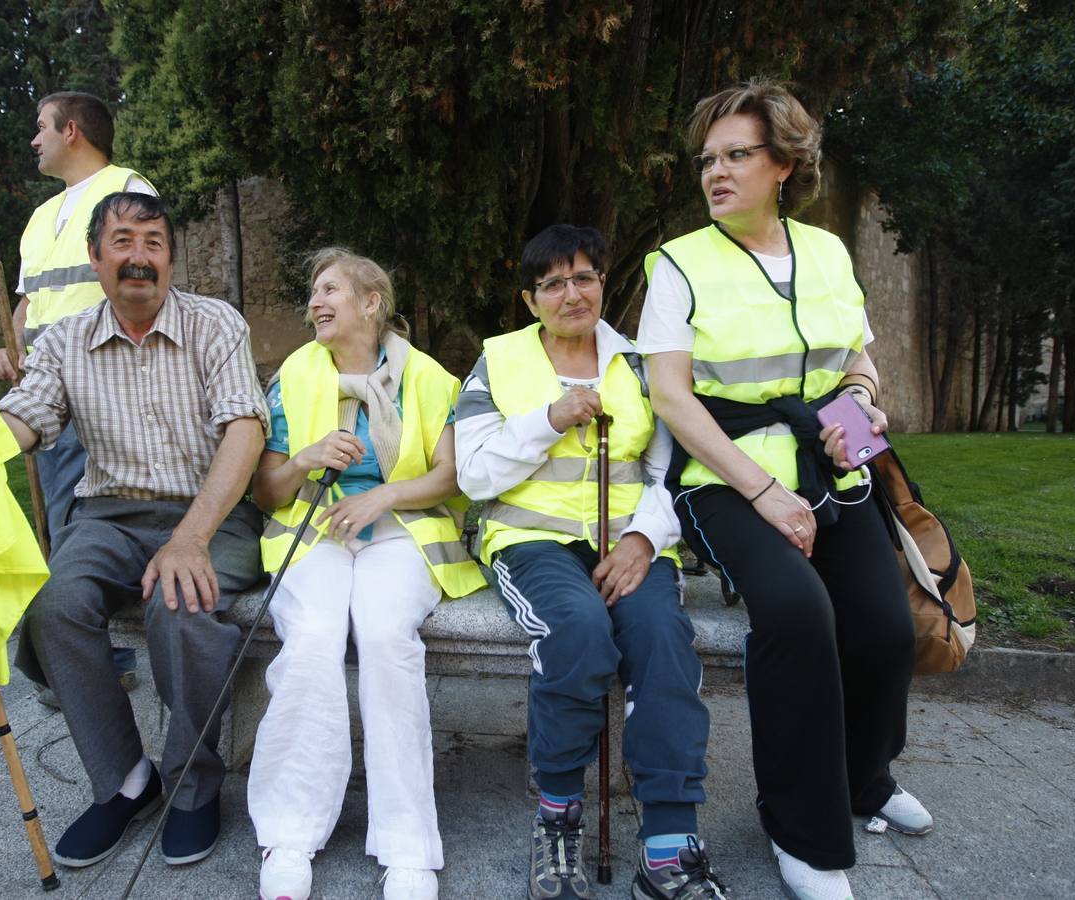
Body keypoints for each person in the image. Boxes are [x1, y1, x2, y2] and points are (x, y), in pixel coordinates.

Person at [639, 79, 930, 900]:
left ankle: (864, 781)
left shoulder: (830, 252)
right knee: (799, 615)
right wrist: (764, 492)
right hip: (724, 482)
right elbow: (671, 396)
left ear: (784, 165)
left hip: (833, 470)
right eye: (707, 160)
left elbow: (860, 363)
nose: (716, 172)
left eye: (738, 155)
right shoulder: (677, 265)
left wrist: (863, 408)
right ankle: (800, 828)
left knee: (883, 630)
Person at [0, 191, 266, 868]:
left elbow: (245, 428)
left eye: (153, 242)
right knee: (53, 603)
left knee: (180, 603)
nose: (138, 256)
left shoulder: (215, 324)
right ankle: (124, 780)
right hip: (109, 513)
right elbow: (24, 420)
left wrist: (191, 537)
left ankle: (195, 785)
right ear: (95, 257)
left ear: (170, 259)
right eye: (122, 241)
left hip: (212, 509)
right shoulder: (63, 341)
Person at [457, 225, 723, 900]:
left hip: (628, 543)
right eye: (552, 283)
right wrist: (547, 419)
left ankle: (668, 846)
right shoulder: (498, 361)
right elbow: (475, 473)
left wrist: (643, 541)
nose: (570, 293)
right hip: (530, 541)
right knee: (577, 634)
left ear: (605, 283)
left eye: (583, 277)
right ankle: (558, 819)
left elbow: (670, 471)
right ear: (529, 298)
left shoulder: (639, 364)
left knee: (664, 640)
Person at [248, 248, 485, 900]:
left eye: (330, 290)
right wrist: (304, 458)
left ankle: (408, 845)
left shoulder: (428, 377)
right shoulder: (295, 374)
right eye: (313, 293)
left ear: (371, 302)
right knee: (315, 636)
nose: (315, 303)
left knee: (384, 638)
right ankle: (289, 832)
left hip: (402, 532)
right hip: (314, 531)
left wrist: (383, 495)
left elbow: (449, 473)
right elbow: (268, 491)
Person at [5, 91, 154, 695]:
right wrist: (13, 346)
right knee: (64, 520)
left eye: (41, 127)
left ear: (71, 130)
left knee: (83, 521)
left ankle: (84, 661)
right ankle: (82, 656)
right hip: (45, 384)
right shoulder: (42, 217)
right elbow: (28, 299)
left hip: (100, 382)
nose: (33, 139)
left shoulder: (126, 188)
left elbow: (142, 280)